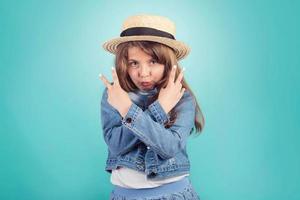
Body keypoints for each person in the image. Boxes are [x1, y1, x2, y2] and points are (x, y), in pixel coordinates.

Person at [99, 14, 205, 200]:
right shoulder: (115, 95)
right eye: (134, 63)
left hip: (173, 194)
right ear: (124, 63)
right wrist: (155, 109)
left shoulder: (182, 98)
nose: (143, 73)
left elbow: (169, 148)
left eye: (153, 62)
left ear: (168, 63)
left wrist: (153, 108)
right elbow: (116, 145)